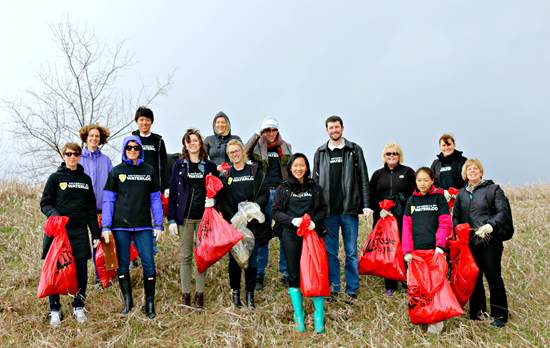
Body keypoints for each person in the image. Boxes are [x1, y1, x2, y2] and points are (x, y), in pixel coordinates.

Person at [102, 135, 164, 319]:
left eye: (136, 148)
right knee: (122, 265)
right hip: (120, 226)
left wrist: (159, 224)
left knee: (149, 264)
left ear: (140, 149)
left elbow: (155, 199)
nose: (132, 151)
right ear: (124, 150)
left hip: (144, 225)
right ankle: (128, 302)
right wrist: (106, 226)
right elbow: (108, 200)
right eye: (129, 148)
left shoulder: (149, 171)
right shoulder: (116, 171)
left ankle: (150, 304)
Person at [40, 142, 100, 327]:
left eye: (75, 154)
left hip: (79, 232)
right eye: (68, 154)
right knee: (56, 271)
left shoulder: (85, 179)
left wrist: (95, 234)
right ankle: (55, 309)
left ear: (80, 156)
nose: (72, 157)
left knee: (81, 270)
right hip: (59, 233)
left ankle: (78, 306)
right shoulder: (55, 178)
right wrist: (56, 216)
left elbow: (91, 209)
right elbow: (45, 203)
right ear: (63, 156)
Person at [313, 115, 372, 302]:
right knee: (330, 252)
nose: (334, 130)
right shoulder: (320, 152)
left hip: (349, 210)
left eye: (337, 127)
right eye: (331, 128)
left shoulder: (354, 150)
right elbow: (315, 184)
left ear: (342, 128)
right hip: (328, 212)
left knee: (351, 252)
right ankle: (334, 287)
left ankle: (352, 288)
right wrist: (315, 210)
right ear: (327, 130)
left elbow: (363, 177)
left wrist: (366, 204)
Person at [272, 153, 328, 333]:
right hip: (291, 234)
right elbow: (276, 212)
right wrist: (291, 220)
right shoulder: (284, 188)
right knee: (294, 272)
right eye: (295, 165)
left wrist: (314, 221)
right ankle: (299, 314)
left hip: (311, 235)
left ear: (306, 167)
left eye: (302, 165)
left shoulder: (314, 187)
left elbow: (323, 209)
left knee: (315, 272)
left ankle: (319, 313)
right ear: (290, 168)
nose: (298, 168)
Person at [452, 159, 509, 328]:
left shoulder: (493, 189)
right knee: (474, 278)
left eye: (475, 168)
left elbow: (502, 211)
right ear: (465, 174)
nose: (472, 171)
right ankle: (478, 314)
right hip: (470, 242)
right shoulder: (462, 193)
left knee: (493, 277)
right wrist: (458, 228)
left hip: (490, 240)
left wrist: (490, 225)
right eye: (469, 169)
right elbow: (456, 216)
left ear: (481, 172)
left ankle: (499, 315)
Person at [167, 128, 218, 309]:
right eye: (189, 141)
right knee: (186, 257)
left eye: (195, 140)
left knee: (202, 257)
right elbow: (173, 194)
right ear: (185, 145)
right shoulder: (179, 166)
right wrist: (171, 220)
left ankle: (200, 294)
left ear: (200, 143)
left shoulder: (210, 166)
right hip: (185, 219)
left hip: (204, 218)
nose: (192, 144)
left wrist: (214, 200)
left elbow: (217, 190)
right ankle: (186, 294)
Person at [217, 139, 268, 308]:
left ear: (242, 151)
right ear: (228, 155)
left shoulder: (254, 171)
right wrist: (234, 217)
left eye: (237, 151)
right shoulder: (226, 176)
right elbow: (222, 200)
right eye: (231, 152)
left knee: (251, 260)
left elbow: (264, 193)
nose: (234, 154)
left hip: (251, 223)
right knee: (235, 261)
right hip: (234, 224)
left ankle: (250, 295)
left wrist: (251, 210)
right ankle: (236, 293)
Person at [401, 167, 452, 334]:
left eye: (425, 180)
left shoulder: (439, 199)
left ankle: (436, 321)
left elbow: (445, 224)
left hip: (434, 251)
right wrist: (407, 251)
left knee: (435, 286)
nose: (422, 183)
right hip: (416, 254)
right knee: (419, 288)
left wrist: (440, 247)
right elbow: (406, 228)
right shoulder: (412, 201)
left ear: (432, 181)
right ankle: (423, 316)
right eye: (419, 180)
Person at [245, 116, 292, 290]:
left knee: (285, 234)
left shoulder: (286, 147)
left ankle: (286, 273)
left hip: (282, 193)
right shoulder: (257, 147)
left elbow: (292, 169)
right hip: (263, 194)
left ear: (277, 131)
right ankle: (259, 274)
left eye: (273, 130)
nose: (270, 133)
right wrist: (257, 135)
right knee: (262, 235)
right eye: (267, 130)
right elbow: (244, 151)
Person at [369, 143, 415, 296]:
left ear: (399, 155)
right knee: (387, 249)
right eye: (388, 154)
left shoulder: (408, 172)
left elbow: (414, 193)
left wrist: (404, 205)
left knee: (404, 247)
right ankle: (390, 284)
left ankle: (407, 281)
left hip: (402, 216)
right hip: (383, 218)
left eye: (394, 153)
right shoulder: (377, 174)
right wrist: (379, 208)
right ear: (384, 156)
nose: (391, 156)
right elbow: (370, 195)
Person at [78, 123, 112, 285]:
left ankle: (103, 278)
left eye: (97, 136)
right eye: (91, 136)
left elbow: (112, 185)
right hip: (82, 209)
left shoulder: (106, 161)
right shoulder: (78, 158)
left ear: (101, 139)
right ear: (85, 137)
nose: (94, 138)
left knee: (101, 242)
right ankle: (79, 277)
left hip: (101, 208)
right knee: (82, 243)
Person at [132, 106, 169, 193]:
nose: (144, 123)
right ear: (137, 121)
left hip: (154, 186)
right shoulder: (131, 140)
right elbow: (125, 163)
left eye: (148, 120)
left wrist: (166, 186)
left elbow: (164, 165)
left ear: (151, 122)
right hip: (136, 185)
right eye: (141, 119)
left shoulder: (159, 141)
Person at [430, 134, 467, 201]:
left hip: (460, 199)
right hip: (441, 199)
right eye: (444, 145)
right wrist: (442, 192)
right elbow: (431, 182)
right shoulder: (436, 164)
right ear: (440, 147)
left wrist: (459, 193)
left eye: (449, 144)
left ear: (454, 145)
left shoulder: (463, 161)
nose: (446, 147)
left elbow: (468, 180)